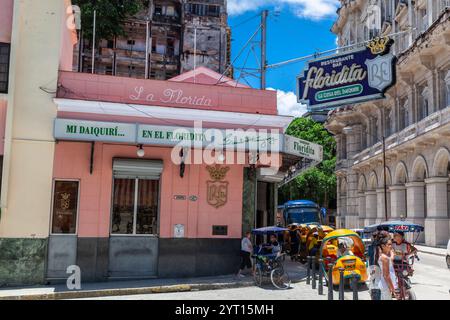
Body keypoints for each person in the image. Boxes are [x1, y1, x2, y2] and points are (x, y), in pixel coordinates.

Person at [376, 235, 399, 300]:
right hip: (386, 285)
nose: (390, 246)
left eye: (391, 244)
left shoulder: (385, 256)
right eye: (388, 244)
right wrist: (393, 289)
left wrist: (392, 254)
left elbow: (390, 260)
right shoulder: (384, 258)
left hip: (385, 285)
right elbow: (386, 275)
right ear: (383, 246)